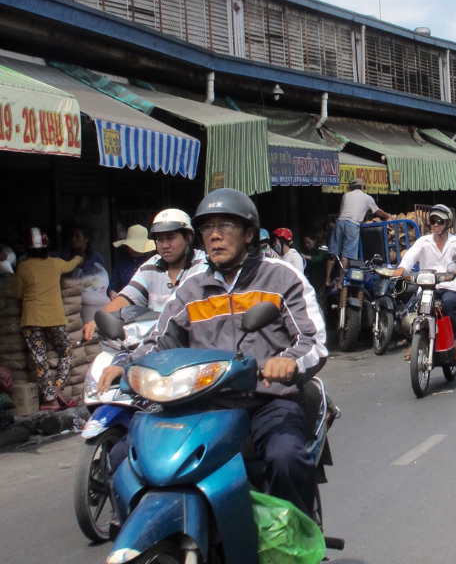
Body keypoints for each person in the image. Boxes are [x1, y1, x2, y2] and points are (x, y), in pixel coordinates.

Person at [99, 189, 327, 517]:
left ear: (249, 234)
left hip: (264, 400)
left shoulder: (281, 277)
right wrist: (126, 364)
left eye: (226, 226)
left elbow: (313, 340)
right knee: (126, 456)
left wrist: (286, 363)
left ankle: (293, 542)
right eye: (207, 228)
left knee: (286, 457)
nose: (215, 236)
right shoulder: (191, 288)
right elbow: (160, 340)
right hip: (199, 402)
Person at [83, 209, 207, 341]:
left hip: (195, 343)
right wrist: (101, 319)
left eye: (171, 238)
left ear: (188, 237)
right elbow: (127, 297)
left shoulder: (204, 266)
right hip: (157, 344)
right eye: (159, 239)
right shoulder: (150, 267)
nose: (164, 245)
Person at [13, 228, 82, 411]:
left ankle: (50, 399)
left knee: (39, 359)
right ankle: (59, 386)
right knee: (67, 351)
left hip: (31, 319)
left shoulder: (23, 267)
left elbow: (17, 293)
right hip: (55, 318)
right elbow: (71, 265)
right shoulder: (56, 264)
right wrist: (79, 256)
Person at [393, 204, 456, 361]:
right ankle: (413, 342)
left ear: (447, 223)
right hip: (427, 287)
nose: (436, 225)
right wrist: (401, 268)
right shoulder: (423, 241)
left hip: (451, 286)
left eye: (440, 221)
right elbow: (410, 256)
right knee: (412, 309)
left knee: (449, 305)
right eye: (433, 221)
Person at [327, 179, 391, 285]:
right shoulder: (367, 198)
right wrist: (387, 215)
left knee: (333, 253)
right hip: (352, 224)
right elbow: (378, 212)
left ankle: (327, 280)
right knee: (345, 255)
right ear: (362, 187)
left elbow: (342, 211)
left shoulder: (345, 195)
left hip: (340, 222)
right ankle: (340, 282)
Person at [107, 225, 155, 299]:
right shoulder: (121, 263)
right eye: (131, 246)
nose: (133, 249)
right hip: (124, 304)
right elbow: (112, 286)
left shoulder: (152, 262)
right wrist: (111, 292)